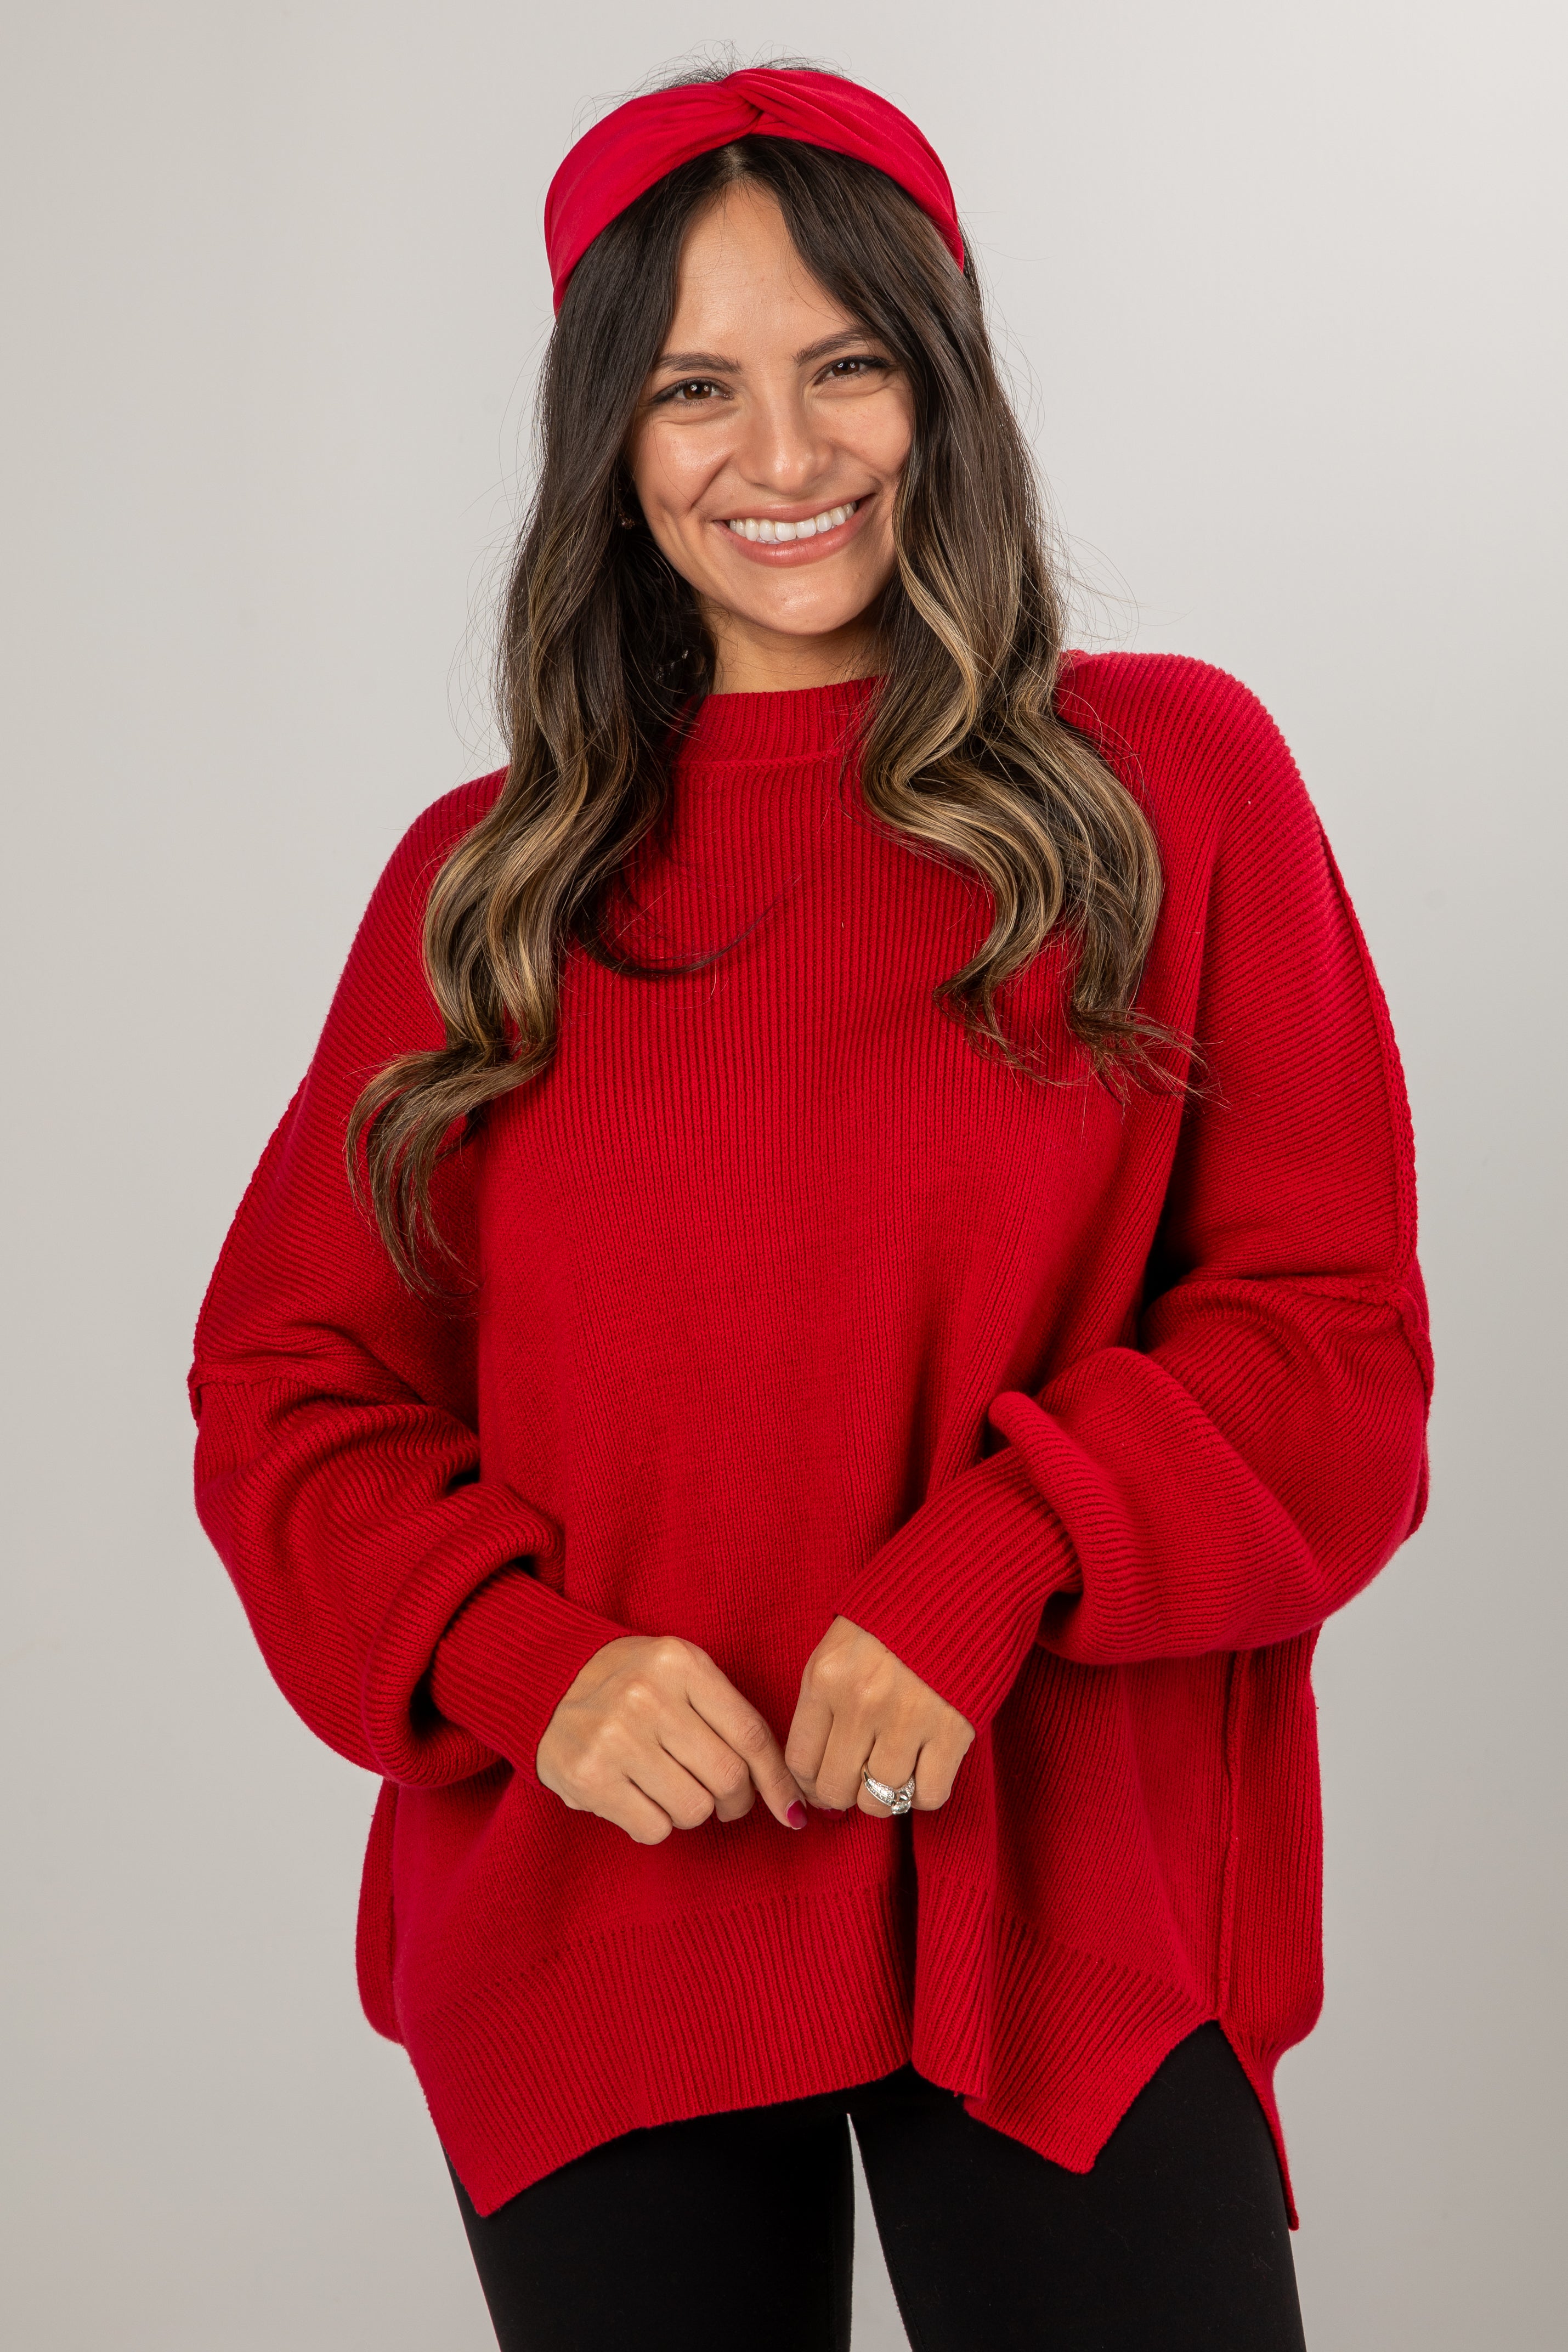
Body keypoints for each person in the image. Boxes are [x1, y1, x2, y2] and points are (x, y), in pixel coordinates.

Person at [189, 60, 1433, 2352]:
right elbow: (290, 1389)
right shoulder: (486, 891)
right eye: (695, 388)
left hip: (1063, 1906)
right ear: (608, 440)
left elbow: (1329, 1337)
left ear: (941, 385)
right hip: (601, 1915)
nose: (782, 453)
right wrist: (519, 1659)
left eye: (845, 363)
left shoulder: (1167, 786)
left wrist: (1000, 1557)